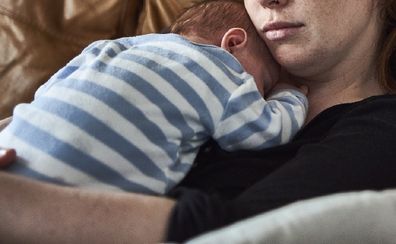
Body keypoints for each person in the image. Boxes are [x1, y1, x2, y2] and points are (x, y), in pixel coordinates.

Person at [0, 0, 395, 243]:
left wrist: (12, 203)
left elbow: (241, 232)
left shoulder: (381, 127)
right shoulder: (195, 62)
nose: (268, 1)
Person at [0, 0, 307, 195]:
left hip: (14, 158)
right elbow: (265, 131)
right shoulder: (223, 72)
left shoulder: (115, 47)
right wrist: (289, 92)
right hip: (75, 196)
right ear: (234, 42)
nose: (260, 93)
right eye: (263, 83)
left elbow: (45, 94)